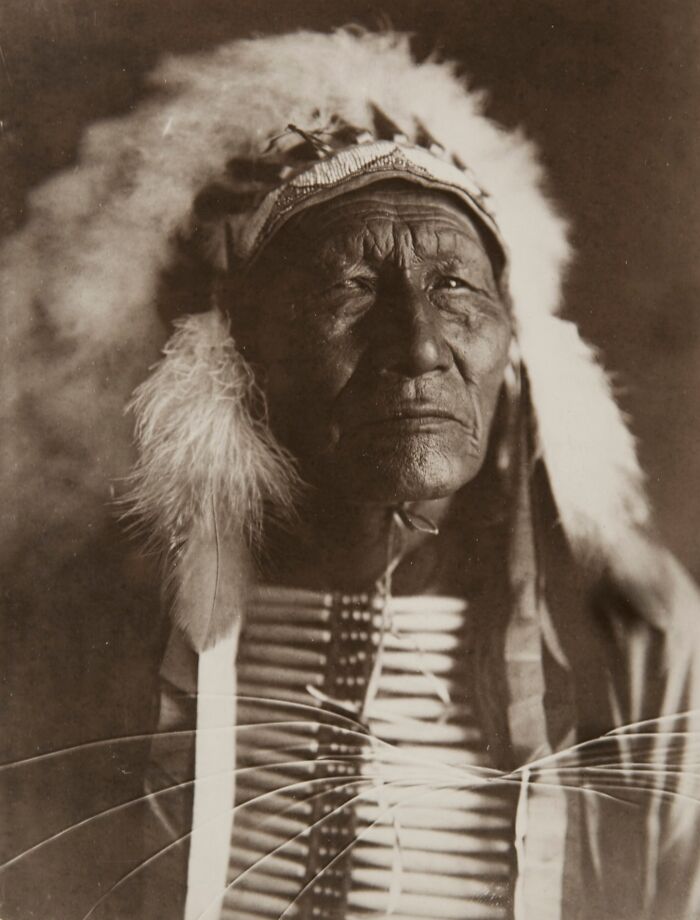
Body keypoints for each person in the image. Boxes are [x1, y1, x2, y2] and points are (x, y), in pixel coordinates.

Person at [3, 28, 700, 920]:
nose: (416, 349)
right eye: (353, 289)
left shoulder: (633, 633)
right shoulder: (85, 620)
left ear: (515, 350)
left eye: (456, 288)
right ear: (233, 357)